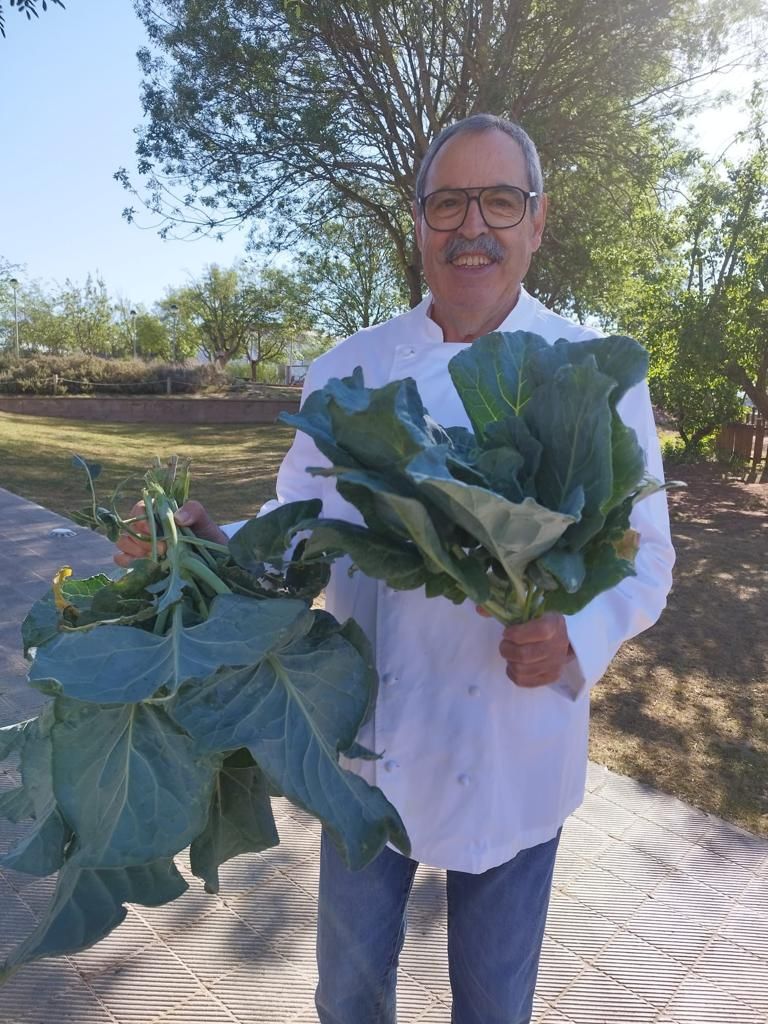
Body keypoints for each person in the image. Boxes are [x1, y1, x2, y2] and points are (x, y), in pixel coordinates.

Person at [115, 114, 675, 1024]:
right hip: (372, 747)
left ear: (537, 221)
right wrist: (211, 542)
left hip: (515, 749)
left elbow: (646, 555)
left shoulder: (593, 367)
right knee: (350, 999)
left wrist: (578, 632)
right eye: (447, 203)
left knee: (495, 1006)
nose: (471, 226)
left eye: (499, 200)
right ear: (417, 223)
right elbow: (304, 531)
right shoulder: (350, 368)